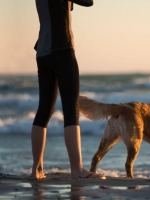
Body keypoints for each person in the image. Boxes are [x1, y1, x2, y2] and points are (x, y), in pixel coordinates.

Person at [30, 0, 105, 180]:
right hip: (62, 49)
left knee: (44, 111)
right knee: (71, 111)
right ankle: (77, 170)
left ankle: (36, 170)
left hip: (43, 52)